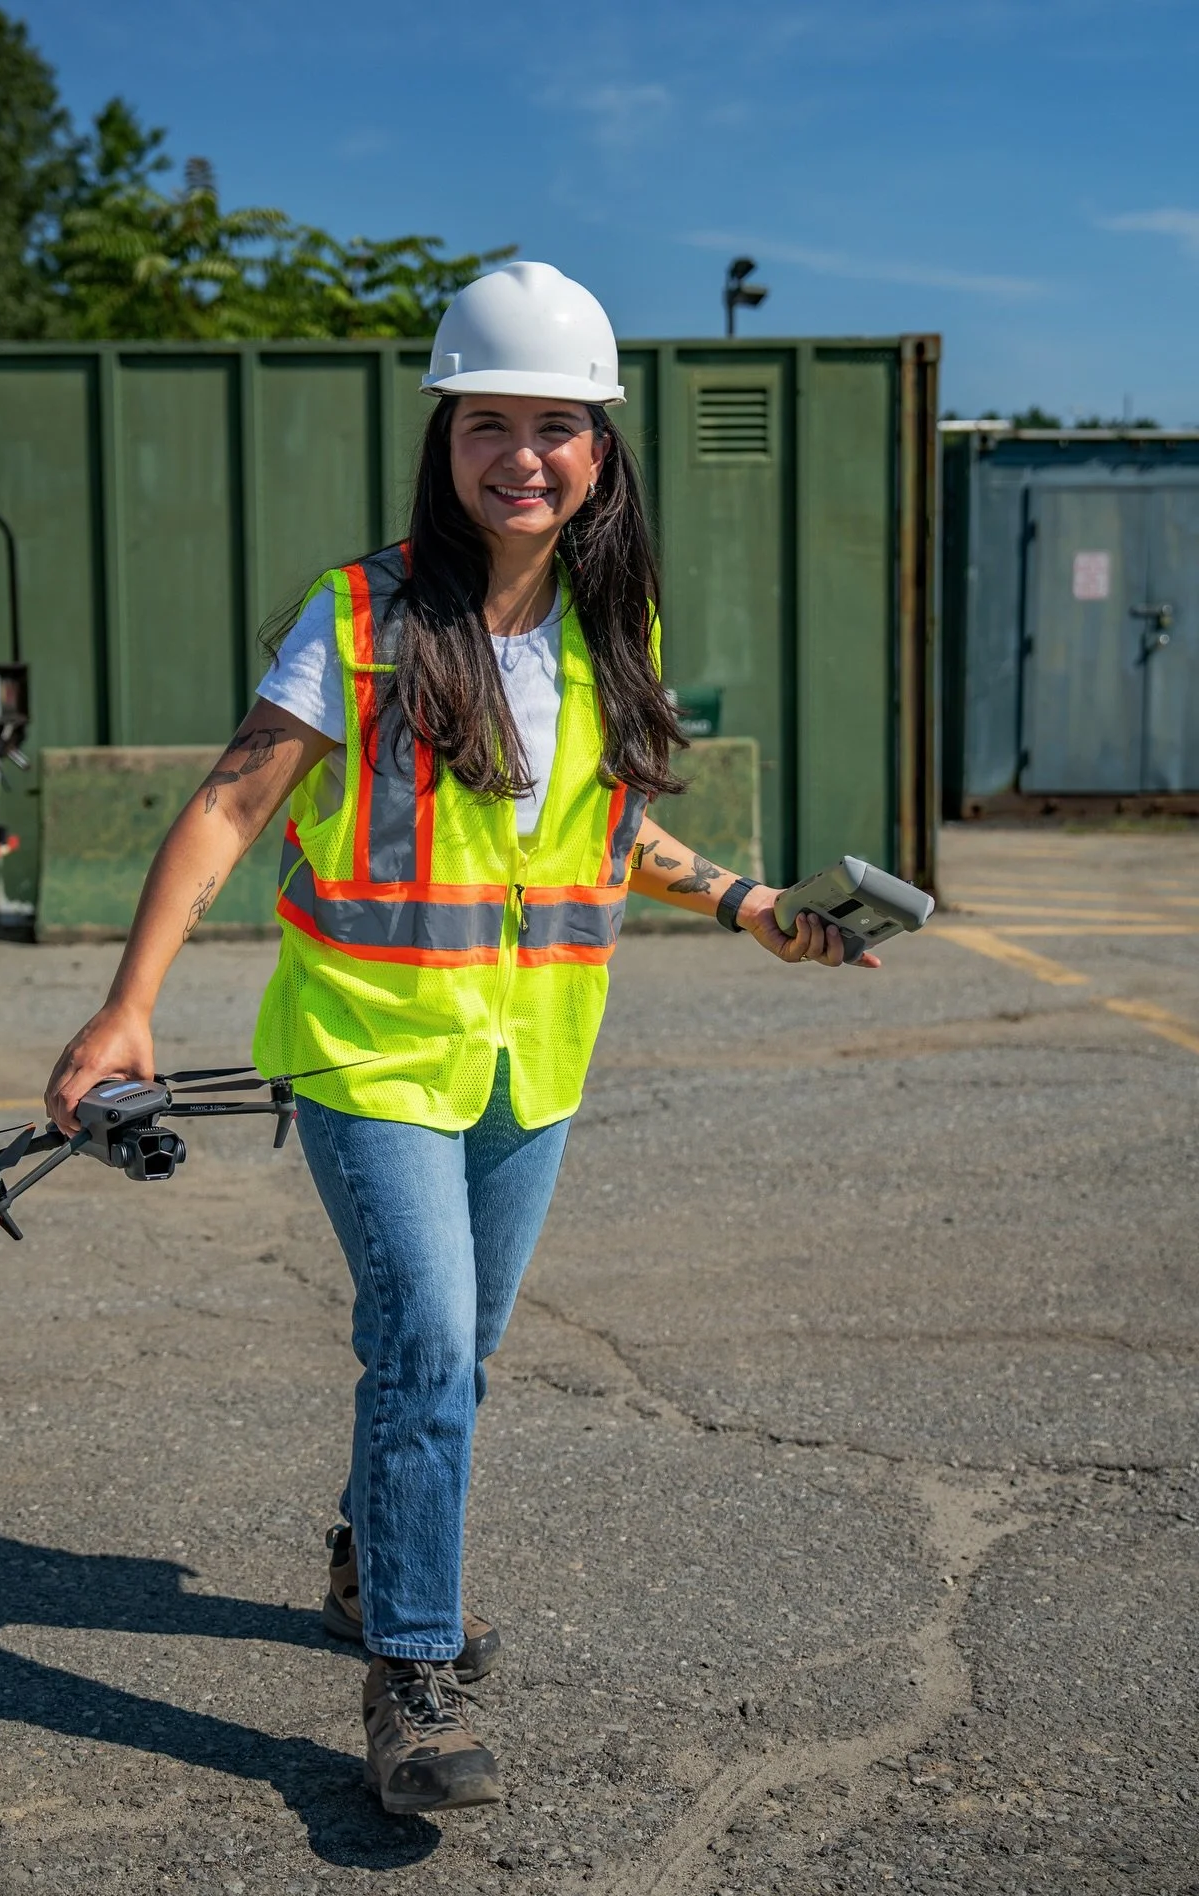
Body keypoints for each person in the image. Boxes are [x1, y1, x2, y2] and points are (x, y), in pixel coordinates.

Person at [44, 261, 878, 1817]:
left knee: (460, 1353)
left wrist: (747, 900)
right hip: (369, 1050)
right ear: (442, 436)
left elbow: (606, 832)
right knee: (425, 1332)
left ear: (600, 453)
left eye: (555, 426)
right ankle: (411, 1681)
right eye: (486, 421)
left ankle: (369, 1560)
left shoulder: (607, 624)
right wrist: (128, 1001)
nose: (522, 456)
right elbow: (233, 801)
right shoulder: (357, 615)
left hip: (529, 1062)